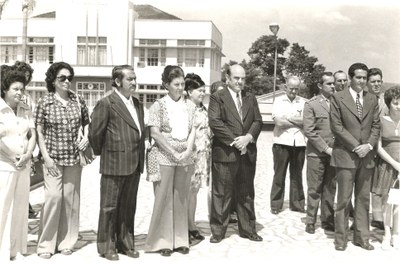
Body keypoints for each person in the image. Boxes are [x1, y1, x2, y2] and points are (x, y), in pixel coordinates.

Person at [89, 65, 145, 261]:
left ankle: (125, 243)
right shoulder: (106, 103)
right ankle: (106, 246)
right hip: (114, 162)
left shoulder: (137, 104)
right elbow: (95, 133)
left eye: (135, 78)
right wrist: (106, 152)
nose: (134, 82)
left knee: (128, 206)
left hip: (134, 163)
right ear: (118, 81)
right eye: (129, 79)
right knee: (109, 207)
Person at [35, 62, 90, 259]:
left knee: (70, 200)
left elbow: (86, 123)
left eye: (69, 78)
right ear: (53, 81)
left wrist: (86, 137)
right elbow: (39, 133)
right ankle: (45, 245)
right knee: (53, 198)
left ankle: (67, 241)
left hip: (74, 158)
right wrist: (46, 158)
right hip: (52, 158)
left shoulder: (78, 100)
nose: (67, 81)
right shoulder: (44, 102)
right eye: (62, 78)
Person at [144, 65, 196, 257]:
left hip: (185, 157)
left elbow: (193, 130)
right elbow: (155, 133)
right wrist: (173, 151)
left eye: (182, 84)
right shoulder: (158, 105)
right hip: (164, 156)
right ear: (166, 85)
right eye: (176, 84)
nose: (180, 88)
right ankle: (162, 241)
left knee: (181, 198)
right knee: (164, 198)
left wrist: (188, 150)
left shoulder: (190, 105)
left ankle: (181, 240)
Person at [208, 64, 263, 243]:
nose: (240, 82)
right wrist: (236, 141)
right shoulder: (218, 98)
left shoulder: (250, 97)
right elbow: (215, 123)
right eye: (236, 78)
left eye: (243, 78)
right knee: (221, 192)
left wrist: (248, 137)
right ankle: (218, 231)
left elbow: (257, 120)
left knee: (246, 192)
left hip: (247, 152)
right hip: (225, 153)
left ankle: (248, 229)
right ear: (228, 79)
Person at [330, 63, 380, 251]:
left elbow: (376, 126)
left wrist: (368, 146)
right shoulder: (337, 98)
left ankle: (362, 237)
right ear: (351, 78)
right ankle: (341, 239)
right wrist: (356, 146)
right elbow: (336, 126)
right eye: (358, 77)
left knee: (363, 198)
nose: (362, 81)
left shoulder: (372, 99)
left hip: (366, 156)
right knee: (343, 199)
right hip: (345, 156)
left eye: (364, 78)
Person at [0, 69, 36, 261]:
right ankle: (2, 251)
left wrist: (28, 154)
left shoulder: (25, 109)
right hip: (4, 166)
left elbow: (32, 134)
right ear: (5, 88)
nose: (19, 92)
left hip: (24, 165)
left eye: (22, 88)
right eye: (15, 88)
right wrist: (11, 156)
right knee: (3, 208)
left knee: (21, 208)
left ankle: (17, 250)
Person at [303, 72, 336, 234]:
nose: (332, 86)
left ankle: (328, 220)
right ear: (320, 86)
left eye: (333, 83)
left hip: (335, 153)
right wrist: (326, 149)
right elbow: (309, 131)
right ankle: (310, 221)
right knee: (314, 188)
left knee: (330, 188)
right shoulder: (311, 104)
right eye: (329, 83)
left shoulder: (338, 103)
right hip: (317, 154)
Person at [270, 75, 306, 214]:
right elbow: (279, 122)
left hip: (299, 143)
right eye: (291, 89)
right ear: (286, 86)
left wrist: (288, 118)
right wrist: (296, 120)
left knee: (297, 175)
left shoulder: (303, 103)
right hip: (281, 142)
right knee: (279, 175)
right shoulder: (279, 101)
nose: (294, 92)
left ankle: (297, 204)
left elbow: (306, 122)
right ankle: (276, 205)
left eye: (296, 89)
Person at [185, 73, 211, 242]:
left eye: (203, 91)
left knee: (193, 192)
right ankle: (184, 226)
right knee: (186, 192)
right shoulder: (185, 108)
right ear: (189, 92)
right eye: (199, 91)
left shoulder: (203, 108)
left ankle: (191, 224)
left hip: (203, 157)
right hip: (188, 157)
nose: (202, 94)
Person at [12, 61, 38, 220]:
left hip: (27, 135)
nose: (26, 79)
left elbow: (31, 120)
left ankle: (25, 206)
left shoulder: (27, 97)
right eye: (23, 76)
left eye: (28, 77)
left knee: (25, 177)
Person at [375, 86, 400, 249]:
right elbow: (378, 147)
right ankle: (387, 234)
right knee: (387, 201)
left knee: (399, 202)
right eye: (396, 103)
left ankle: (396, 234)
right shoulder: (381, 121)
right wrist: (395, 164)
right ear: (389, 103)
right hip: (388, 165)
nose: (399, 106)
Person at [367, 68, 386, 231]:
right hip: (366, 147)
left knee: (379, 183)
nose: (376, 84)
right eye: (373, 81)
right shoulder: (364, 99)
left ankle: (378, 217)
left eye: (379, 81)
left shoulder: (386, 101)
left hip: (383, 147)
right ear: (367, 83)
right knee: (364, 184)